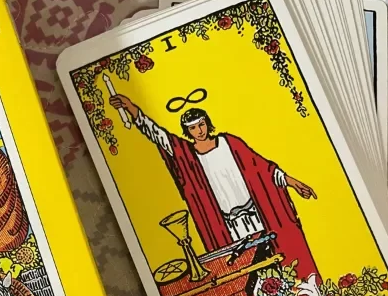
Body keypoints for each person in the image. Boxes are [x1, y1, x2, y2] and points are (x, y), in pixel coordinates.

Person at [109, 94, 319, 281]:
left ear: (207, 124)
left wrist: (293, 183)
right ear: (187, 131)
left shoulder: (230, 143)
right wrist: (131, 108)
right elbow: (157, 135)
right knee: (247, 273)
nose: (199, 131)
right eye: (193, 128)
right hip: (229, 228)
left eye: (201, 124)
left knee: (276, 262)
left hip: (258, 217)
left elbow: (264, 169)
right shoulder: (186, 155)